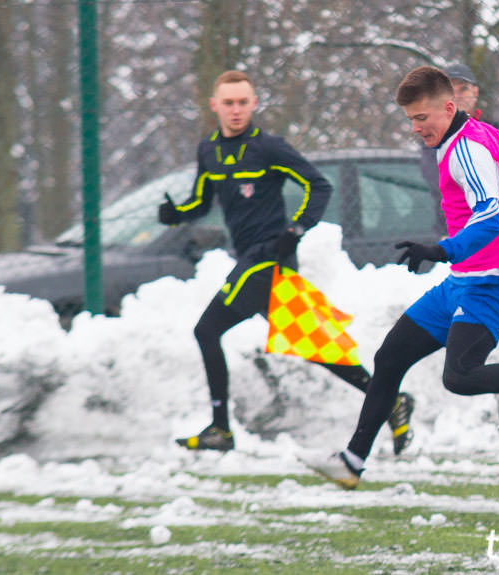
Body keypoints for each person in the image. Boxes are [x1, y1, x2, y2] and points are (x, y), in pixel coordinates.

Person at [300, 66, 499, 489]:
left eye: (421, 118)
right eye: (411, 119)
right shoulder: (479, 134)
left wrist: (440, 249)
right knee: (389, 358)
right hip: (460, 282)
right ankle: (353, 460)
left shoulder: (467, 149)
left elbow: (490, 219)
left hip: (489, 283)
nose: (416, 128)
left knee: (461, 377)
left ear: (448, 108)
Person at [158, 70, 414, 453]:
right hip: (250, 261)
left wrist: (296, 230)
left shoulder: (269, 148)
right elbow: (202, 201)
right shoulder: (208, 149)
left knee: (206, 331)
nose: (236, 110)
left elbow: (318, 185)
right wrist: (175, 214)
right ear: (215, 105)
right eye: (228, 103)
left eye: (243, 102)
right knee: (315, 346)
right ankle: (392, 402)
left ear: (254, 103)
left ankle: (220, 429)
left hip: (268, 261)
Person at [421, 63, 490, 235]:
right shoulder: (431, 137)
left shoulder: (494, 130)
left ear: (475, 92)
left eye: (463, 89)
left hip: (496, 229)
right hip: (453, 230)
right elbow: (442, 183)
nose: (457, 96)